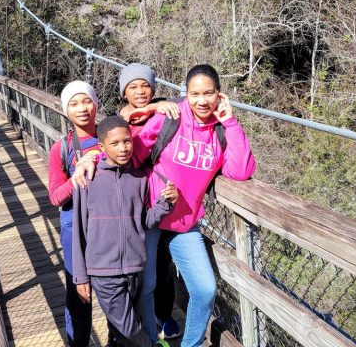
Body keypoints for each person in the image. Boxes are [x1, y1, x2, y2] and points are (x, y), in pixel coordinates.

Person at [75, 64, 257, 347]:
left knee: (205, 289)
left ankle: (191, 343)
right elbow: (127, 148)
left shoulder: (220, 130)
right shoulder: (170, 116)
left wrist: (231, 122)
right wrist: (93, 158)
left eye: (208, 93)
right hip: (148, 217)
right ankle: (151, 340)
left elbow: (241, 171)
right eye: (195, 93)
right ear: (186, 93)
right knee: (146, 288)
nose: (202, 100)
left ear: (219, 95)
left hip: (185, 224)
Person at [72, 115, 176, 347]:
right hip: (103, 269)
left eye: (127, 141)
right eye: (115, 143)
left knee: (121, 331)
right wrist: (80, 276)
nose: (123, 148)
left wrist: (164, 203)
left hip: (135, 266)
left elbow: (145, 221)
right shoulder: (87, 179)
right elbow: (78, 231)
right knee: (129, 328)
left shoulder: (139, 178)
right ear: (101, 147)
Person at [118, 63, 181, 341]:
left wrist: (159, 106)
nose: (140, 91)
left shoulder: (168, 109)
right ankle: (143, 319)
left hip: (166, 198)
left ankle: (163, 315)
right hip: (135, 202)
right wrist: (151, 109)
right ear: (124, 92)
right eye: (133, 86)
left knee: (164, 261)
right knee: (144, 264)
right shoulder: (122, 119)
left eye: (145, 85)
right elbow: (117, 126)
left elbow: (187, 105)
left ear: (154, 88)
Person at [47, 81, 103, 347]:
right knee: (79, 294)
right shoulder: (61, 148)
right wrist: (77, 176)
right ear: (66, 110)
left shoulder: (114, 137)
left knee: (117, 291)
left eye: (87, 101)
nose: (82, 109)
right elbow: (56, 197)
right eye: (74, 103)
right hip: (75, 231)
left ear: (96, 103)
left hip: (108, 227)